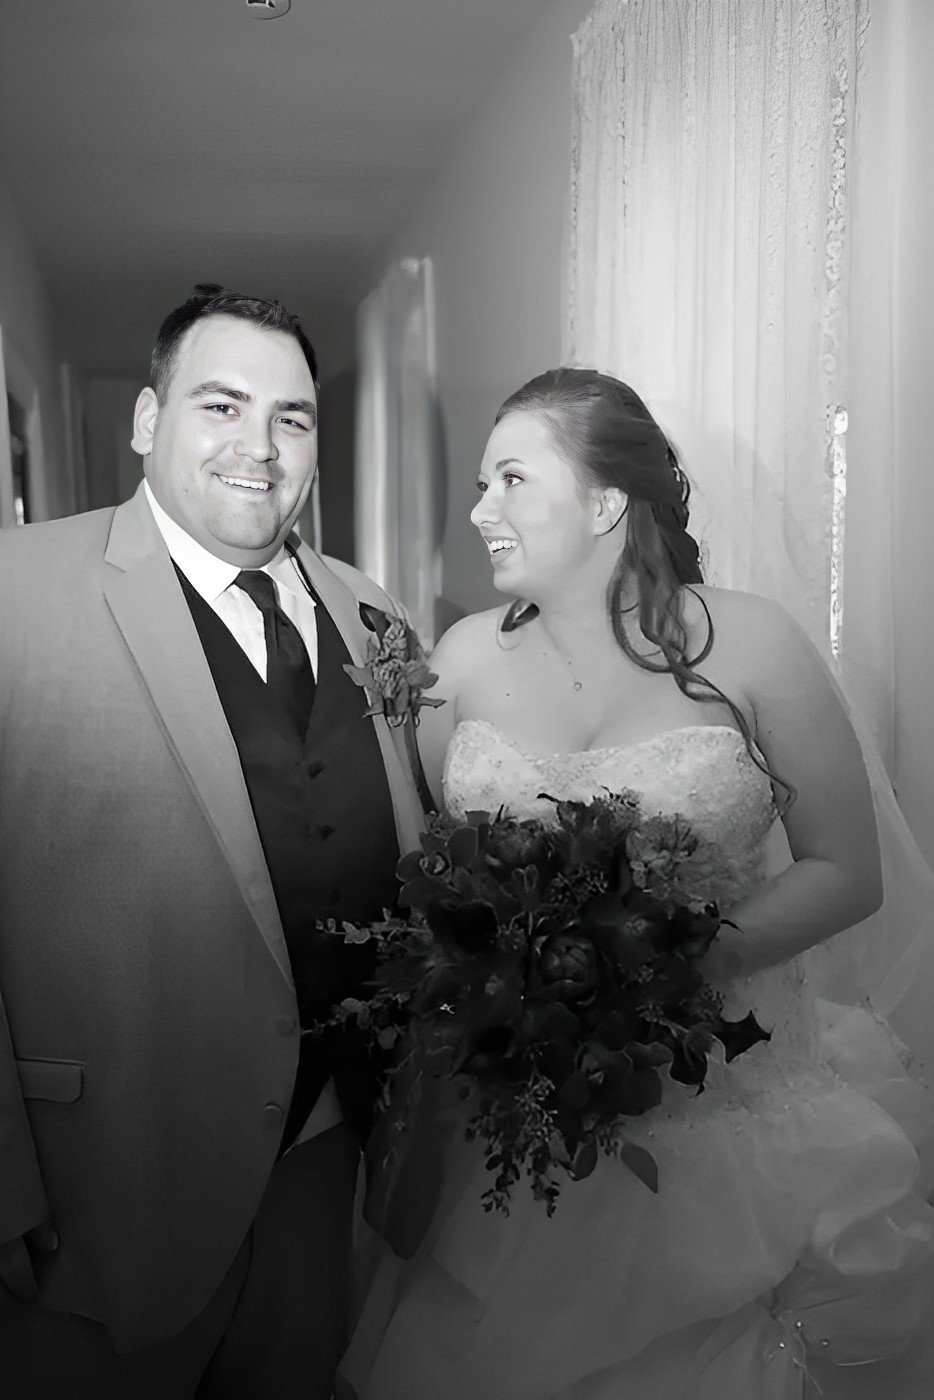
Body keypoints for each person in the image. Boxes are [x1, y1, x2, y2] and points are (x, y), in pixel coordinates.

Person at [343, 368, 934, 1400]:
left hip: (733, 1109)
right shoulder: (463, 659)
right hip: (525, 1124)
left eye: (511, 480)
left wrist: (663, 969)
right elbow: (440, 872)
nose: (480, 510)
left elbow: (847, 870)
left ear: (605, 501)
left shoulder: (752, 642)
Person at [0, 284, 424, 1399]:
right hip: (96, 1185)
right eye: (222, 404)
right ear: (146, 420)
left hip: (326, 1150)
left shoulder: (376, 615)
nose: (260, 446)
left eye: (290, 417)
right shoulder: (17, 590)